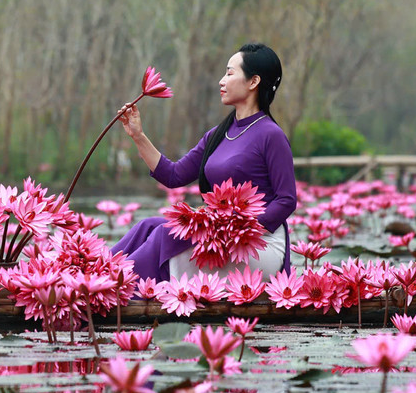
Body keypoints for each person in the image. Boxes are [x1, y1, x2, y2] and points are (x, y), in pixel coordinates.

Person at [112, 42, 298, 282]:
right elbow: (174, 175)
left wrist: (237, 230)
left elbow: (287, 200)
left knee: (164, 234)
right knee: (147, 225)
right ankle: (93, 273)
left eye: (230, 73)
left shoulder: (271, 135)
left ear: (253, 82)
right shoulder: (217, 135)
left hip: (257, 245)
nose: (222, 81)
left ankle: (114, 289)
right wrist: (138, 135)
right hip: (220, 237)